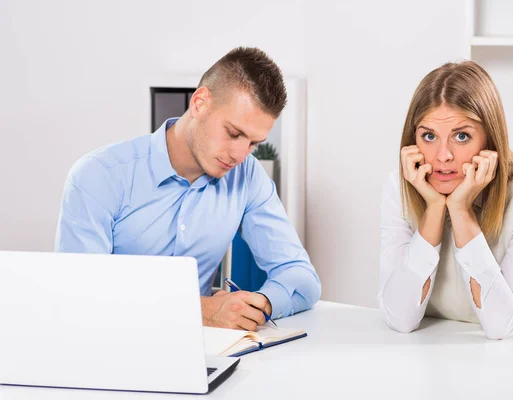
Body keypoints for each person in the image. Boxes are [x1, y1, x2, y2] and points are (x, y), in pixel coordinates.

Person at [56, 47, 321, 331]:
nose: (240, 154)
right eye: (233, 133)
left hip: (204, 353)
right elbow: (80, 296)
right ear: (200, 103)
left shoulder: (247, 176)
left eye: (253, 143)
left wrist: (256, 305)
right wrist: (202, 310)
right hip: (111, 346)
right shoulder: (99, 175)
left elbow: (301, 277)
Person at [378, 60, 513, 340]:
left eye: (461, 136)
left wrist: (461, 209)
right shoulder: (400, 185)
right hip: (437, 362)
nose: (443, 156)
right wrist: (434, 209)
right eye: (429, 136)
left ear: (489, 140)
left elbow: (500, 326)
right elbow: (400, 319)